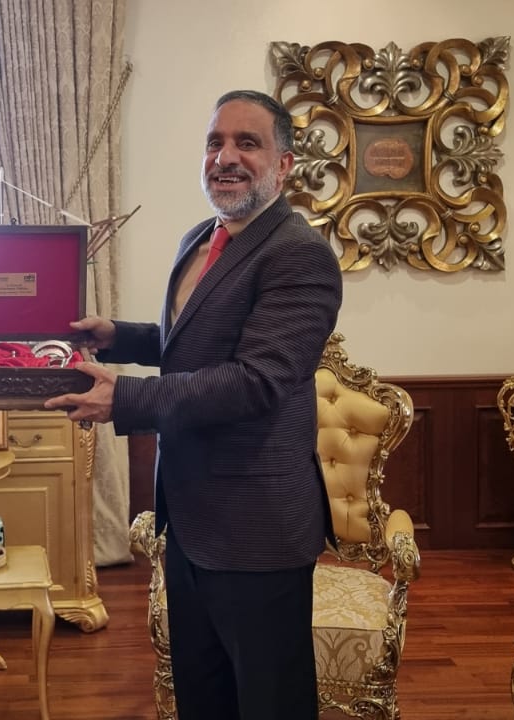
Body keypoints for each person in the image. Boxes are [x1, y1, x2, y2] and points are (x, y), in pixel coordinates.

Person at [45, 89, 343, 719]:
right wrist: (118, 336)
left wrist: (125, 396)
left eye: (247, 143)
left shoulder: (299, 253)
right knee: (203, 696)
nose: (225, 157)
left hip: (257, 528)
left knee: (270, 703)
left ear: (284, 164)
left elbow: (256, 379)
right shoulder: (201, 238)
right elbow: (190, 345)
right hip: (188, 520)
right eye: (215, 143)